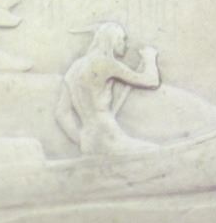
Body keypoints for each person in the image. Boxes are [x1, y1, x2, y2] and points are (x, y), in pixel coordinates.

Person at [55, 22, 161, 155]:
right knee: (156, 151)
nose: (125, 45)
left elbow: (61, 113)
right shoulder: (107, 64)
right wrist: (150, 58)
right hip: (110, 137)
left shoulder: (74, 68)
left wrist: (82, 141)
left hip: (89, 140)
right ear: (113, 40)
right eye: (122, 39)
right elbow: (151, 81)